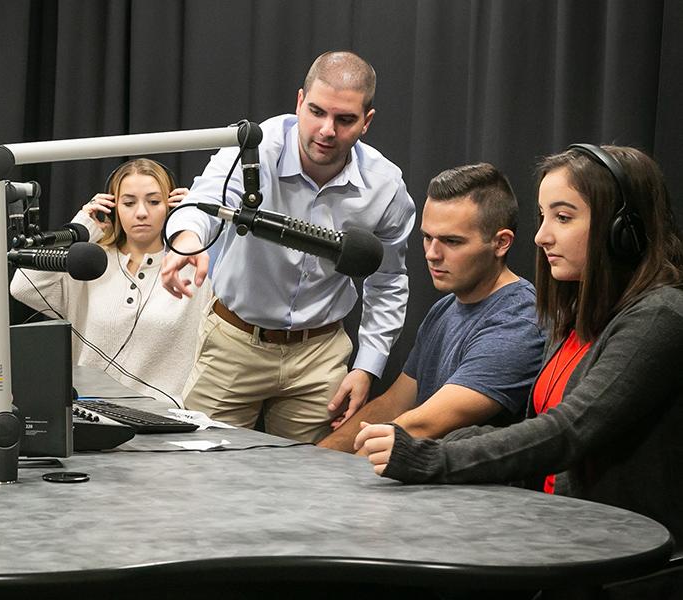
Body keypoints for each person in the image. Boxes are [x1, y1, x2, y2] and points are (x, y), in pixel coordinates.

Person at [355, 144, 683, 545]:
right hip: (555, 530)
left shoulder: (661, 316)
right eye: (543, 217)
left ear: (623, 229)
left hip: (620, 554)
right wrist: (453, 442)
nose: (543, 236)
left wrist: (430, 455)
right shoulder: (576, 316)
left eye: (563, 217)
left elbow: (569, 431)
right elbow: (533, 429)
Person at [161, 50, 416, 443]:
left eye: (345, 119)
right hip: (234, 342)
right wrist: (187, 242)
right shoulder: (251, 150)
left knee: (308, 489)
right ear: (299, 102)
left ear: (367, 122)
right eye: (316, 112)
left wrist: (367, 366)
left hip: (319, 354)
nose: (326, 130)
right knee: (198, 473)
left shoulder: (385, 187)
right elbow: (203, 201)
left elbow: (388, 281)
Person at [319, 163, 545, 452]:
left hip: (472, 494)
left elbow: (423, 425)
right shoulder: (445, 309)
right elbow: (393, 404)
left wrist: (328, 479)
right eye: (428, 237)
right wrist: (321, 456)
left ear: (501, 243)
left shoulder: (518, 322)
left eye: (452, 241)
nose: (432, 254)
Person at [10, 158, 211, 404]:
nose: (141, 213)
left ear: (171, 207)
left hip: (166, 419)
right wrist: (82, 228)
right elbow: (22, 287)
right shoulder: (89, 262)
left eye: (154, 201)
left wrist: (195, 221)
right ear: (113, 208)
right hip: (90, 413)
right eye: (128, 203)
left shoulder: (193, 265)